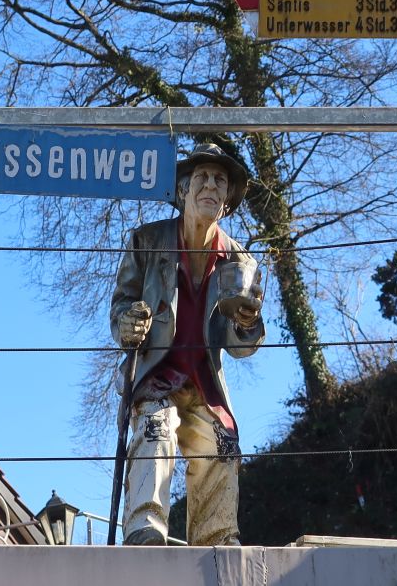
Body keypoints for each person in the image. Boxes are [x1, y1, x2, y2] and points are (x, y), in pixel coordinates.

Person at [110, 143, 264, 546]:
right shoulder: (147, 241)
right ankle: (146, 527)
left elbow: (240, 345)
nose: (211, 186)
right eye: (203, 178)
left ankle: (215, 538)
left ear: (228, 199)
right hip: (156, 374)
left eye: (220, 180)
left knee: (222, 442)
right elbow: (121, 305)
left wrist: (247, 323)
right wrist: (127, 323)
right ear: (183, 190)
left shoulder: (239, 260)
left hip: (202, 383)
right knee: (157, 427)